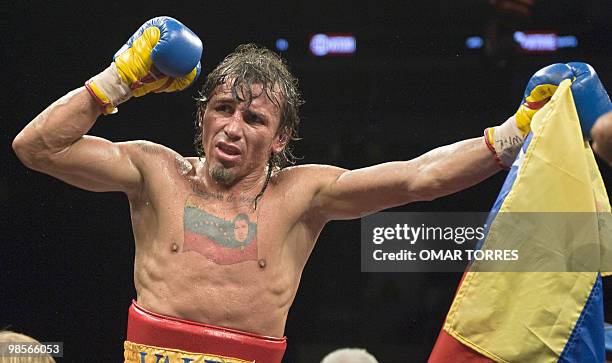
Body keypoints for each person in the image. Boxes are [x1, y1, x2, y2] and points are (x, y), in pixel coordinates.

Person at [11, 17, 610, 362]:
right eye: (222, 109)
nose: (232, 127)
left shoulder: (304, 196)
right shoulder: (152, 170)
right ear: (201, 118)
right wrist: (117, 80)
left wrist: (510, 136)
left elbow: (419, 176)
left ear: (281, 138)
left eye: (254, 120)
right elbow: (35, 148)